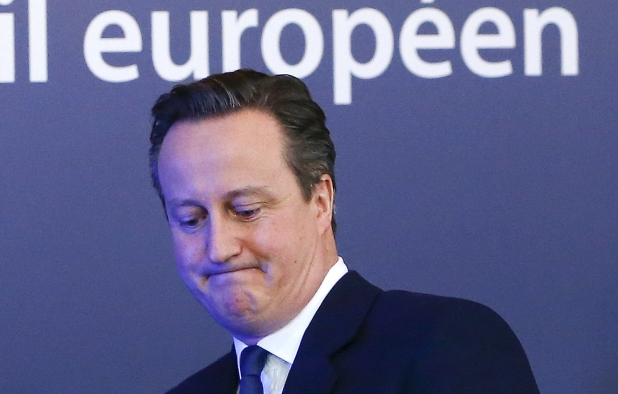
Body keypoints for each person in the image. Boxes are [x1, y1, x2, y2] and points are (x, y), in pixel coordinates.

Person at [149, 69, 539, 394]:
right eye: (191, 219)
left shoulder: (445, 346)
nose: (218, 248)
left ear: (321, 201)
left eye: (246, 210)